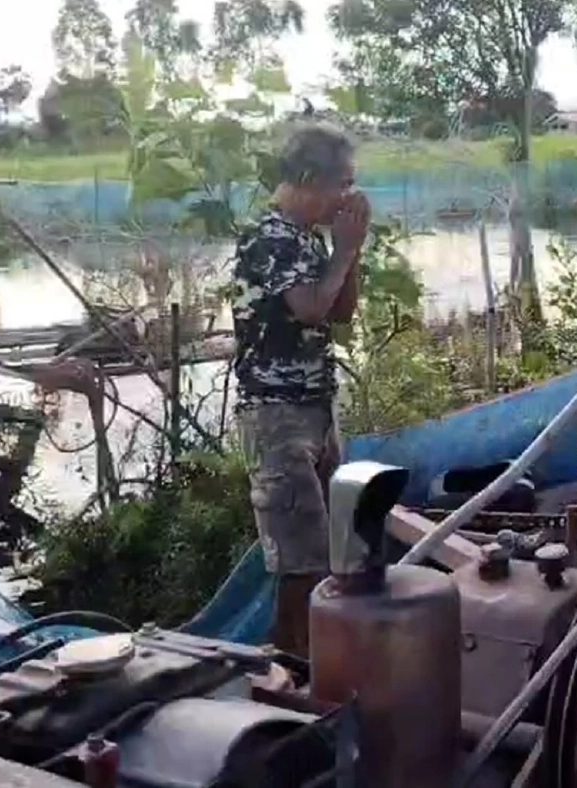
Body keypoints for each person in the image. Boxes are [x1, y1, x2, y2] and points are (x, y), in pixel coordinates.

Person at [231, 124, 369, 657]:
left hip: (314, 407)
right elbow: (308, 306)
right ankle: (292, 669)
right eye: (343, 185)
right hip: (276, 414)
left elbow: (338, 313)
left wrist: (348, 254)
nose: (348, 199)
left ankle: (322, 660)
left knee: (330, 544)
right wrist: (344, 250)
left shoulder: (310, 238)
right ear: (310, 180)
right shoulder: (268, 236)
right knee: (299, 559)